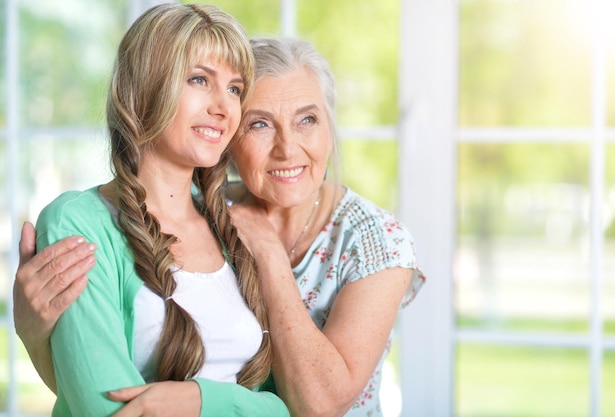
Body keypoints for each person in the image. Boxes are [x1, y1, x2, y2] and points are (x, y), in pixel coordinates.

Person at [14, 36, 425, 417]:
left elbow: (319, 405)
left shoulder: (377, 241)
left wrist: (269, 257)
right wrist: (36, 334)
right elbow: (108, 391)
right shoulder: (205, 213)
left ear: (330, 129)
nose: (287, 148)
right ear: (227, 136)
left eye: (307, 120)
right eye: (259, 124)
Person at [13, 3, 289, 416]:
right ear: (146, 87)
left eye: (234, 89)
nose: (224, 107)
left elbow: (285, 406)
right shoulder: (79, 222)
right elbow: (104, 408)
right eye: (200, 79)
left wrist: (200, 399)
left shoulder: (234, 223)